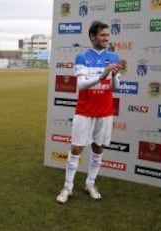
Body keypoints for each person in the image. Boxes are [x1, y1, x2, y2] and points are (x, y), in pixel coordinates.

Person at [56, 21, 125, 203]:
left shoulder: (114, 57)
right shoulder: (82, 57)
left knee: (98, 148)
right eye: (102, 35)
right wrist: (103, 74)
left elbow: (116, 87)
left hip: (105, 111)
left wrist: (116, 75)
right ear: (92, 36)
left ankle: (90, 184)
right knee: (77, 148)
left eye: (107, 35)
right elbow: (81, 85)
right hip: (84, 111)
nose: (106, 38)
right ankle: (68, 187)